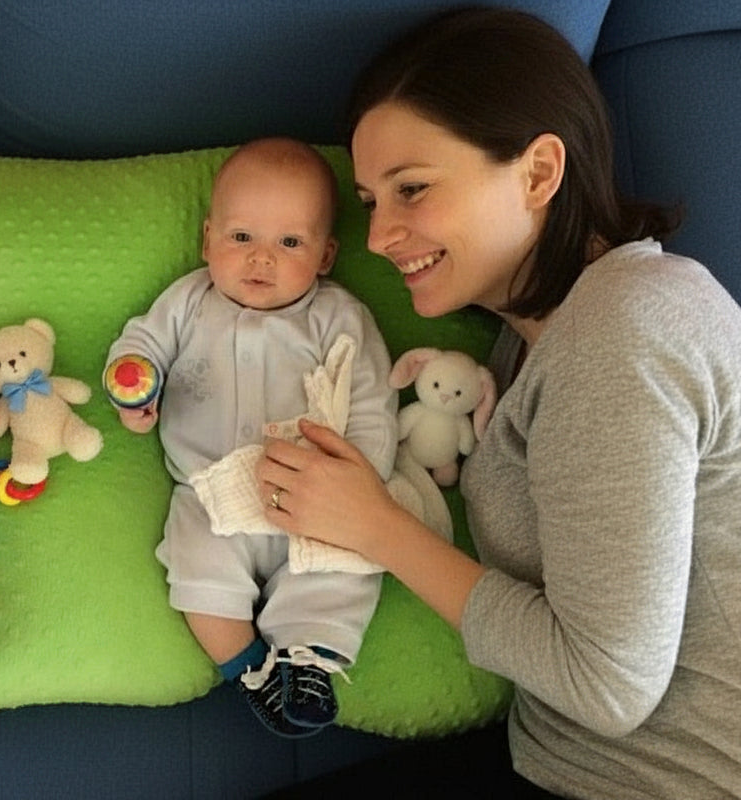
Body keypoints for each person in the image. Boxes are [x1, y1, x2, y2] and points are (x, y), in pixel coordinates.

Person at [258, 7, 741, 799]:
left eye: (411, 189)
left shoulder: (623, 330)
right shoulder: (538, 341)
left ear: (540, 173)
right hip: (566, 762)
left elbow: (607, 686)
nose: (380, 237)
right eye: (372, 200)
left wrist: (374, 524)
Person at [105, 137, 398, 738]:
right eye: (241, 238)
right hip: (209, 491)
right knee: (195, 570)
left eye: (289, 242)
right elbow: (142, 347)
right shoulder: (190, 301)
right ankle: (248, 667)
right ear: (207, 239)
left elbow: (370, 397)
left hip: (312, 493)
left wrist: (361, 476)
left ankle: (309, 659)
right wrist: (133, 385)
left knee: (343, 570)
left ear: (324, 256)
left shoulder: (339, 316)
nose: (261, 259)